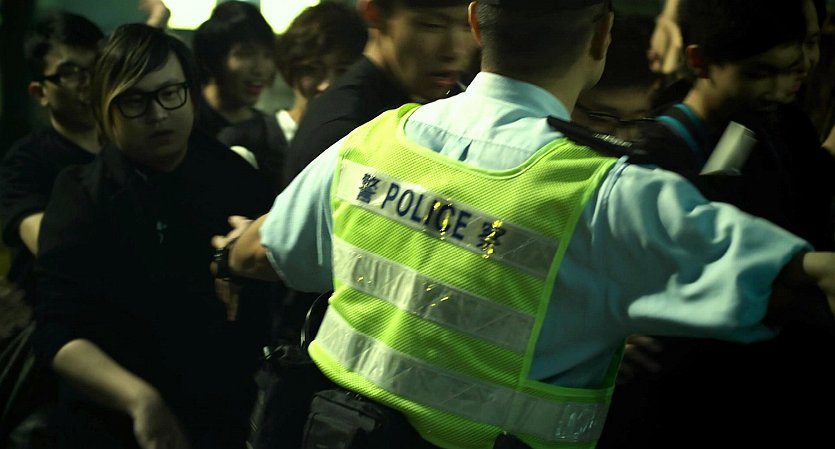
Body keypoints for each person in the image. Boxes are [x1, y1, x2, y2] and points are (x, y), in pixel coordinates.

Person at [212, 1, 835, 448]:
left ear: (476, 23)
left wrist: (226, 256)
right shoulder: (611, 196)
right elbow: (803, 283)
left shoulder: (377, 140)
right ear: (601, 36)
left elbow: (263, 251)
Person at [33, 24, 273, 449]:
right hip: (108, 419)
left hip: (219, 416)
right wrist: (140, 400)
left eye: (170, 93)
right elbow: (57, 333)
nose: (158, 113)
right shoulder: (81, 195)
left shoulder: (235, 178)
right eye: (135, 101)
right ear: (105, 108)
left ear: (190, 93)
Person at [0, 12, 103, 449]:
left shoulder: (131, 148)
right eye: (71, 72)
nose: (88, 82)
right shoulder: (27, 161)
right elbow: (52, 246)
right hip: (57, 346)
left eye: (96, 67)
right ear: (40, 92)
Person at [283, 0, 478, 183]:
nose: (455, 50)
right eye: (432, 26)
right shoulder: (344, 130)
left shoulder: (462, 102)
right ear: (374, 14)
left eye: (468, 25)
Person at [192, 1, 283, 194]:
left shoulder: (268, 133)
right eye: (245, 54)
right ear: (211, 60)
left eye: (267, 55)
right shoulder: (189, 122)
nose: (260, 68)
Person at [273, 1, 367, 185]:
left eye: (342, 71)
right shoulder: (253, 140)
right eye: (312, 70)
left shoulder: (360, 143)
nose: (326, 84)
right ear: (291, 68)